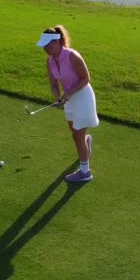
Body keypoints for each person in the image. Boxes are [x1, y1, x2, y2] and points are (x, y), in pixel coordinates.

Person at [38, 25, 98, 182]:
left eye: (49, 45)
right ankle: (87, 142)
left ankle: (85, 172)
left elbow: (86, 79)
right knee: (74, 132)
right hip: (69, 99)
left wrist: (69, 93)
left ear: (57, 42)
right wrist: (58, 96)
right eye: (44, 46)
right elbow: (53, 84)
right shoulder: (50, 61)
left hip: (82, 97)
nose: (46, 48)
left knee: (78, 135)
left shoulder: (72, 56)